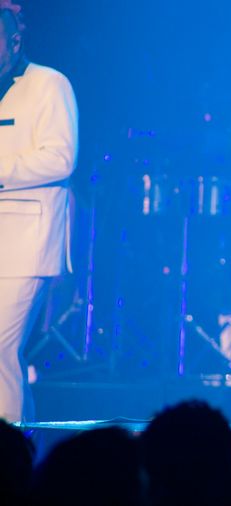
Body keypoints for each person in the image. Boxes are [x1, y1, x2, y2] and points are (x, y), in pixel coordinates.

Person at [0, 1, 78, 422]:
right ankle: (20, 444)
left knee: (0, 350)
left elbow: (60, 158)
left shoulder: (49, 83)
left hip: (26, 244)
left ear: (14, 40)